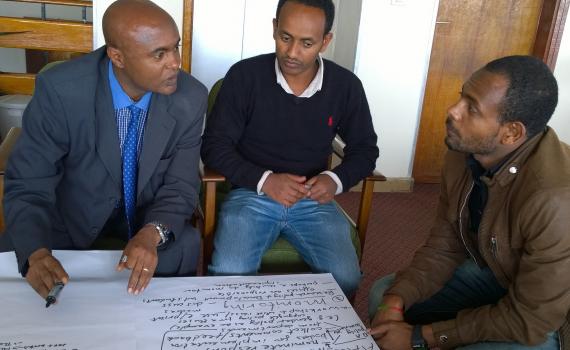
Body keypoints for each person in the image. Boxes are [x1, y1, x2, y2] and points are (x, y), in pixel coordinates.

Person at [0, 0, 207, 300]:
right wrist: (37, 252)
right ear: (117, 57)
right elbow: (30, 181)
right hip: (70, 218)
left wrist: (151, 233)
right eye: (159, 54)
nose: (175, 62)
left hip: (146, 217)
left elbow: (181, 185)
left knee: (186, 243)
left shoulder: (190, 97)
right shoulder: (62, 90)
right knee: (15, 253)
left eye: (175, 47)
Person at [368, 55, 570, 350]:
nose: (453, 110)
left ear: (511, 132)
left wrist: (420, 337)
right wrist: (395, 300)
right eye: (462, 96)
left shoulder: (555, 198)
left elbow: (531, 319)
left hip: (551, 317)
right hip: (501, 276)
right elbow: (444, 245)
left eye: (471, 108)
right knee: (383, 296)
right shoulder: (465, 151)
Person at [201, 0, 379, 297]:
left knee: (345, 279)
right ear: (274, 28)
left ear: (325, 41)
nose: (292, 52)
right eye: (285, 38)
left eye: (307, 43)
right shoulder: (244, 77)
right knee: (230, 275)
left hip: (313, 198)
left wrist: (334, 180)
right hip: (251, 193)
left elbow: (365, 149)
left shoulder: (346, 86)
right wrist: (265, 180)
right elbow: (214, 146)